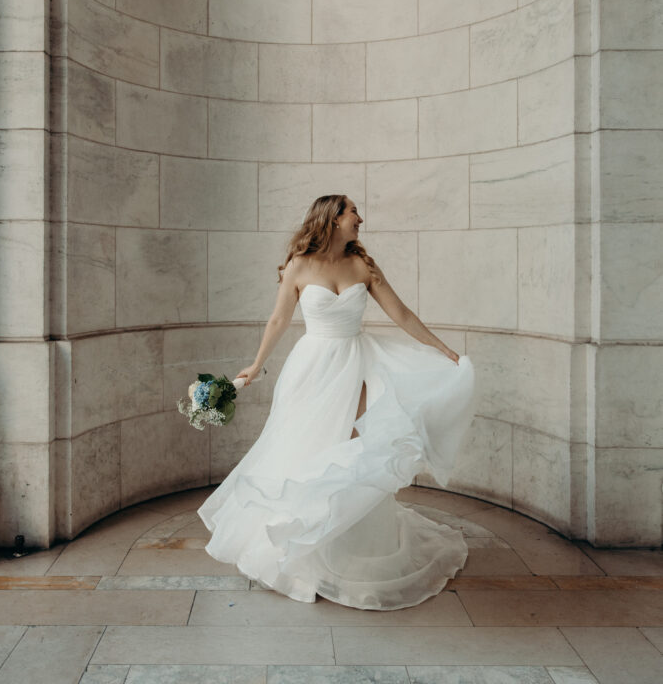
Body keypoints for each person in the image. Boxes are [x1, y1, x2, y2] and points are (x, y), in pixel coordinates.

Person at [197, 194, 476, 610]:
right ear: (331, 218)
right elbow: (278, 319)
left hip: (356, 365)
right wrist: (254, 367)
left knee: (352, 451)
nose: (360, 219)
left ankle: (350, 549)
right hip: (311, 369)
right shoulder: (298, 265)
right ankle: (297, 549)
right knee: (304, 448)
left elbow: (401, 313)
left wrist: (443, 350)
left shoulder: (363, 265)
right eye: (352, 213)